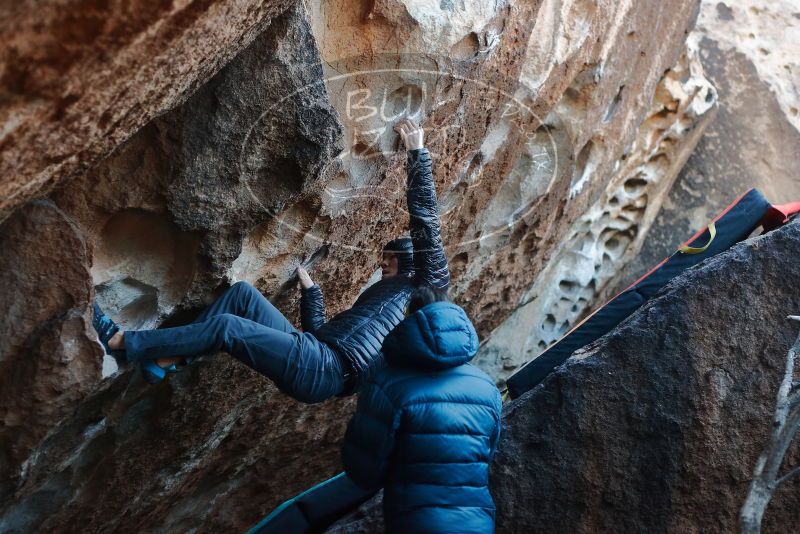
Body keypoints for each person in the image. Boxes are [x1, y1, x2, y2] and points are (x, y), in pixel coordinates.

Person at [91, 117, 450, 402]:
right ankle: (165, 359)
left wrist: (418, 154)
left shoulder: (427, 285)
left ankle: (123, 343)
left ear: (411, 261)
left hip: (325, 370)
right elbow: (320, 335)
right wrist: (312, 295)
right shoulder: (381, 301)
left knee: (228, 328)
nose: (382, 265)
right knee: (241, 297)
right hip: (319, 355)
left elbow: (426, 221)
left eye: (389, 260)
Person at [341, 286, 502, 533]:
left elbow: (364, 472)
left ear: (410, 320)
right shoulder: (486, 387)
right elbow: (485, 455)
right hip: (478, 523)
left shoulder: (388, 386)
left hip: (416, 522)